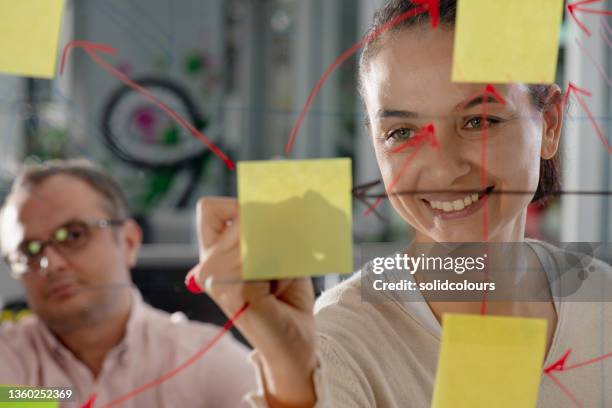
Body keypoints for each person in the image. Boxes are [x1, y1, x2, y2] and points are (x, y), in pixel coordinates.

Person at [186, 1, 612, 407]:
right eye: (402, 133)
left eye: (479, 121)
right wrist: (293, 378)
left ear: (550, 124)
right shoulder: (338, 339)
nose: (443, 170)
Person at [0, 159, 256, 407]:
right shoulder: (9, 362)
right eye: (30, 251)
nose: (51, 263)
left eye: (74, 235)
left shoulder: (204, 361)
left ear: (129, 241)